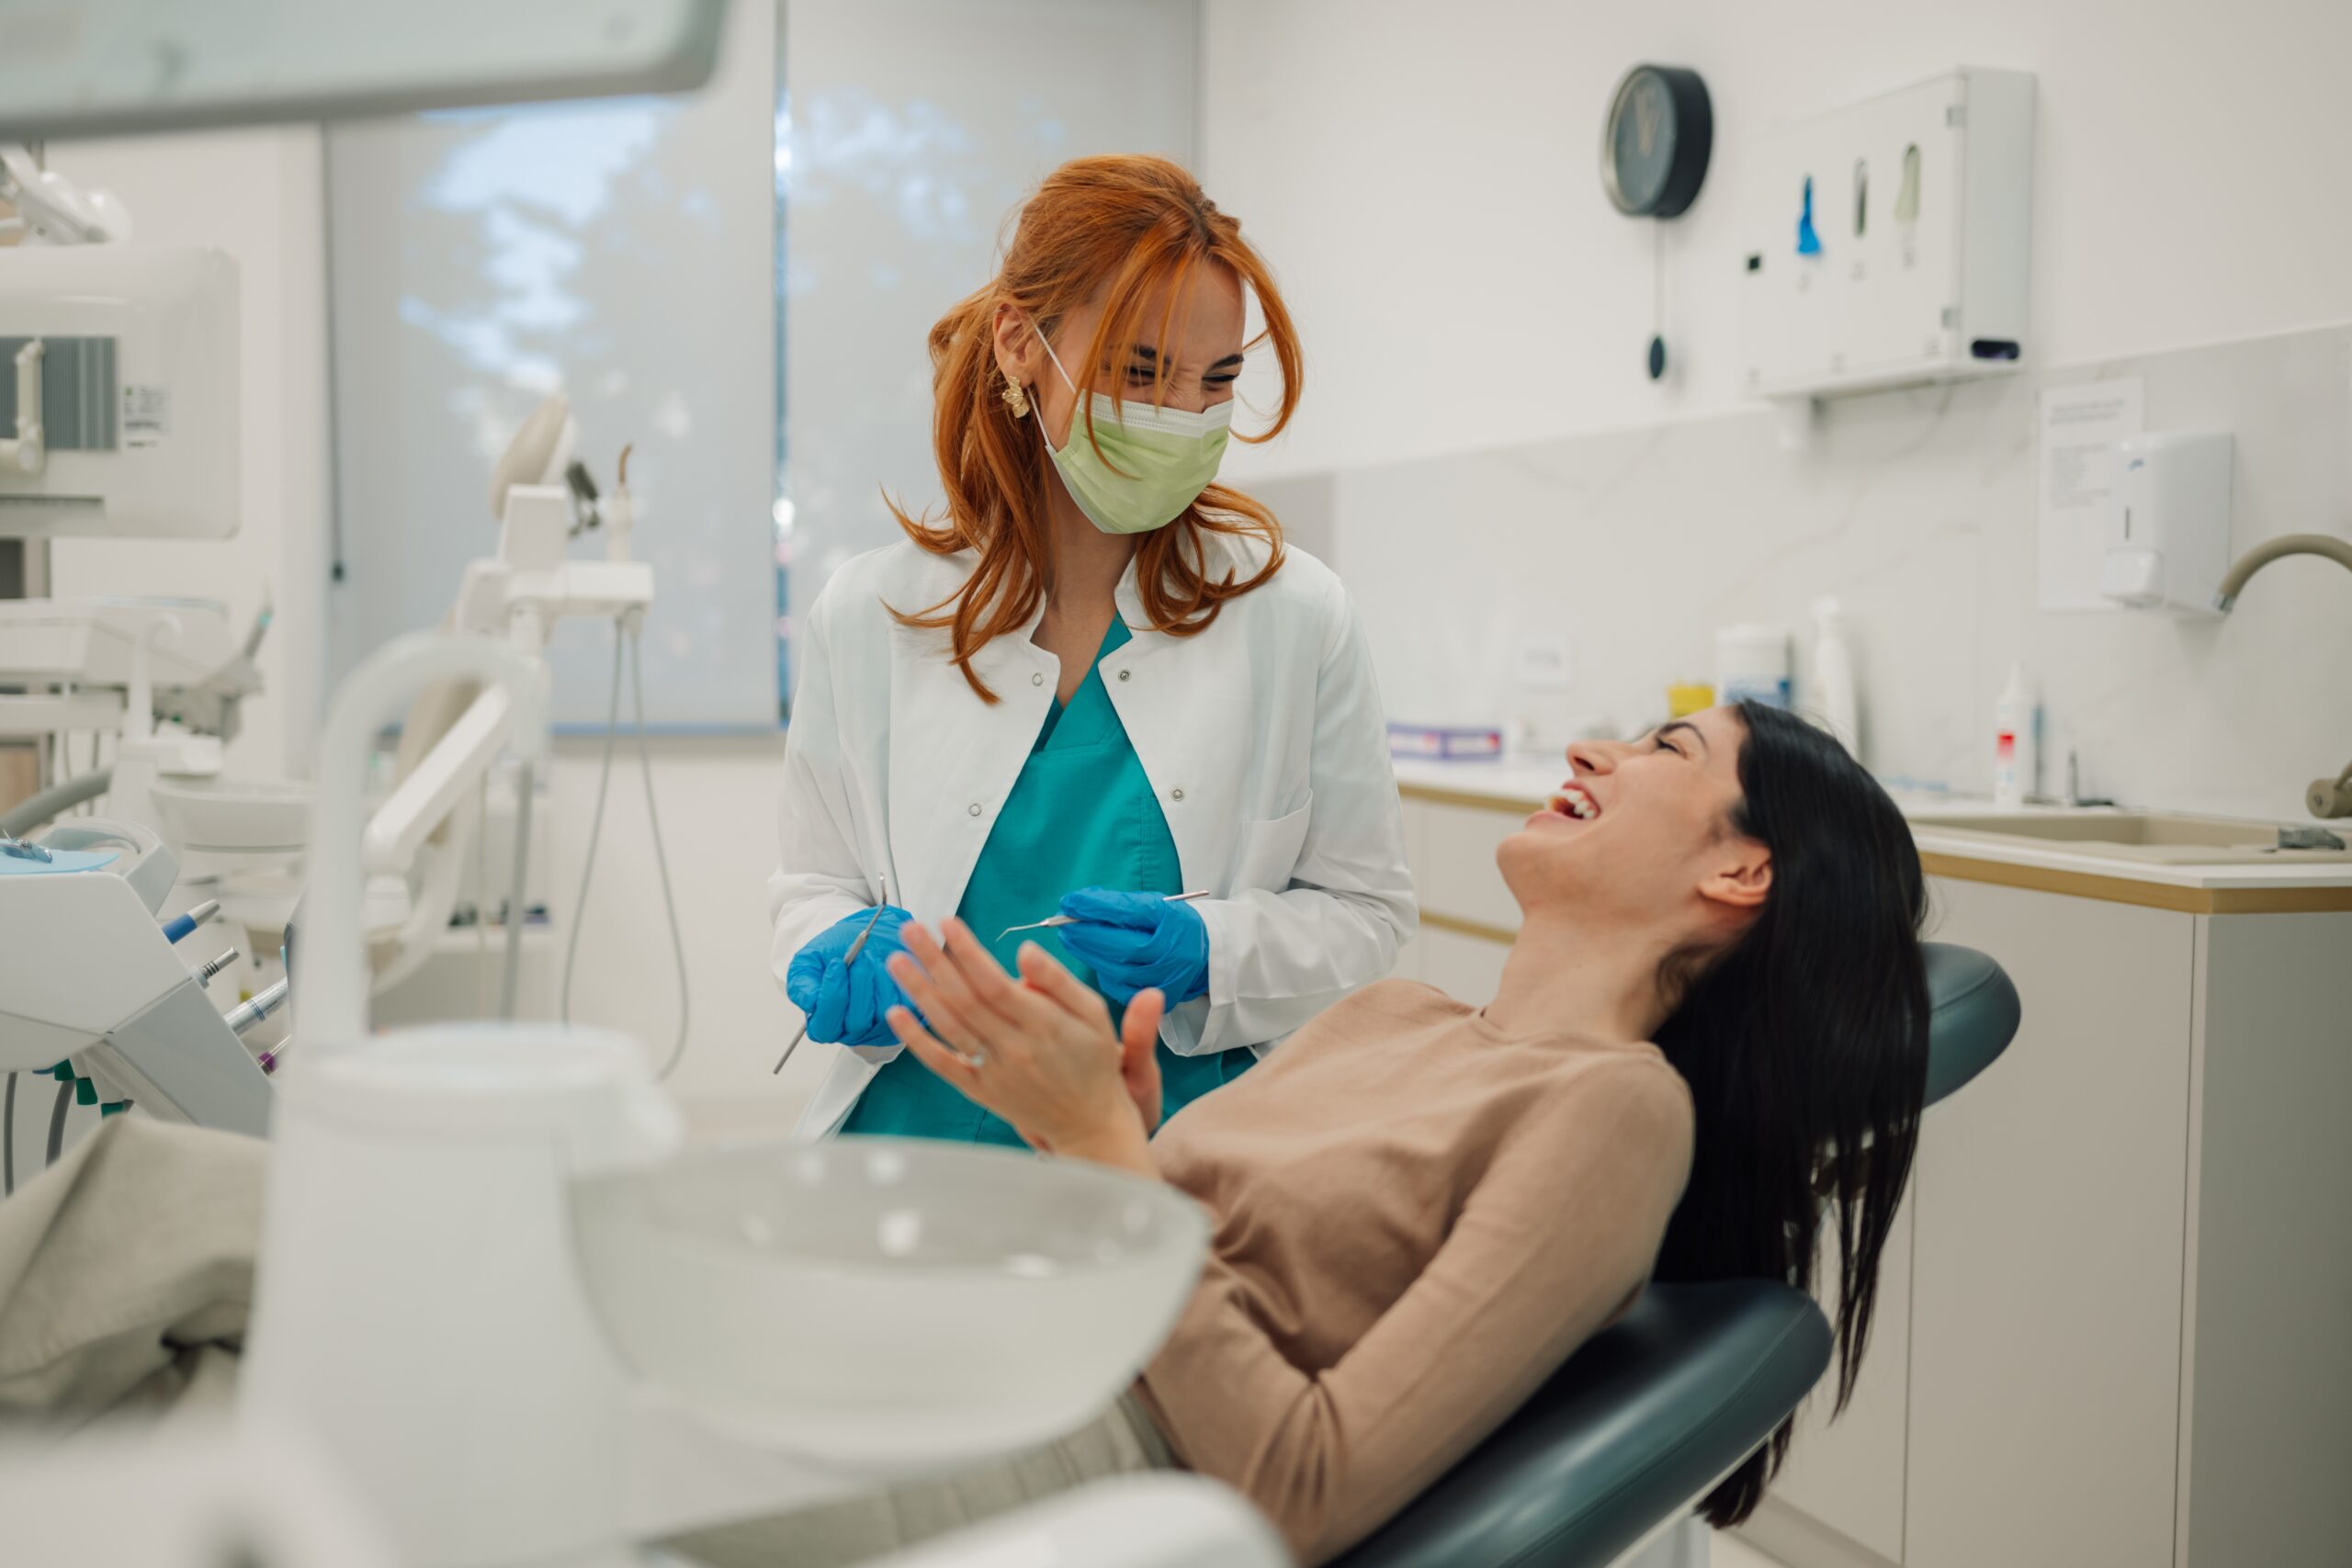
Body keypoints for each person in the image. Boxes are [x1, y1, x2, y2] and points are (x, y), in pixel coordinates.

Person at [690, 702, 1928, 1568]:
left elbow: (1301, 1485)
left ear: (1743, 871)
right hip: (975, 1347)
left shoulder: (1618, 1107)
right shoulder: (1397, 1012)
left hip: (1069, 1450)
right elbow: (1173, 1237)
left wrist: (1109, 1158)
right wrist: (1095, 1140)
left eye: (1668, 747)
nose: (1592, 747)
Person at [768, 154, 1413, 1144]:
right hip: (921, 1146)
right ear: (1021, 342)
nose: (1184, 416)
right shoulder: (870, 614)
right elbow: (817, 882)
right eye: (1141, 371)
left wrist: (1215, 948)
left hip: (1181, 1154)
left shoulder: (1295, 614)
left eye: (1218, 379)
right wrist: (832, 943)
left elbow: (1367, 914)